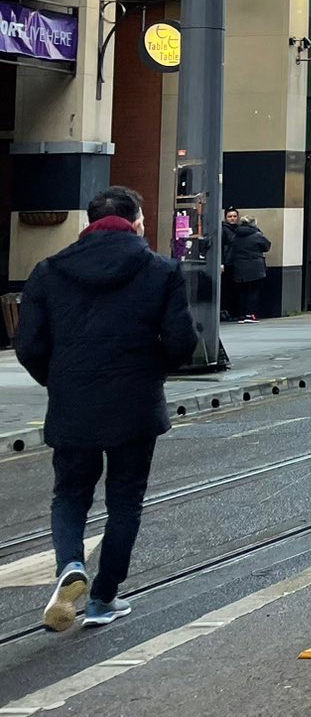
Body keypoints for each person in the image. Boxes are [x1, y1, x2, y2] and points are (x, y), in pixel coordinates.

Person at [17, 187, 198, 632]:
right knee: (125, 500)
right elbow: (182, 343)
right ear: (137, 222)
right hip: (135, 405)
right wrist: (151, 370)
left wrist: (58, 380)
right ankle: (102, 599)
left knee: (70, 494)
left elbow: (28, 346)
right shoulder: (161, 270)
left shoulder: (48, 271)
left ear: (87, 224)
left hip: (72, 403)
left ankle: (71, 565)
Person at [221, 208, 270, 323]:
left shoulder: (236, 235)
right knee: (253, 291)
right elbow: (266, 246)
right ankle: (250, 314)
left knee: (243, 292)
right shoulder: (257, 235)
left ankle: (242, 314)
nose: (232, 219)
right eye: (230, 216)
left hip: (239, 266)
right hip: (255, 267)